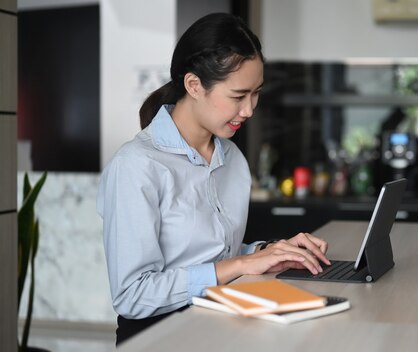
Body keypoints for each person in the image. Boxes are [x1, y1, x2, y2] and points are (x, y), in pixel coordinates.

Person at [96, 13, 330, 346]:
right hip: (161, 339)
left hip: (222, 327)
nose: (249, 110)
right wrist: (241, 264)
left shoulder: (232, 158)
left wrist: (269, 252)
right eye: (238, 96)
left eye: (256, 93)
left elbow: (215, 256)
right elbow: (133, 295)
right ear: (193, 85)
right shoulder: (136, 166)